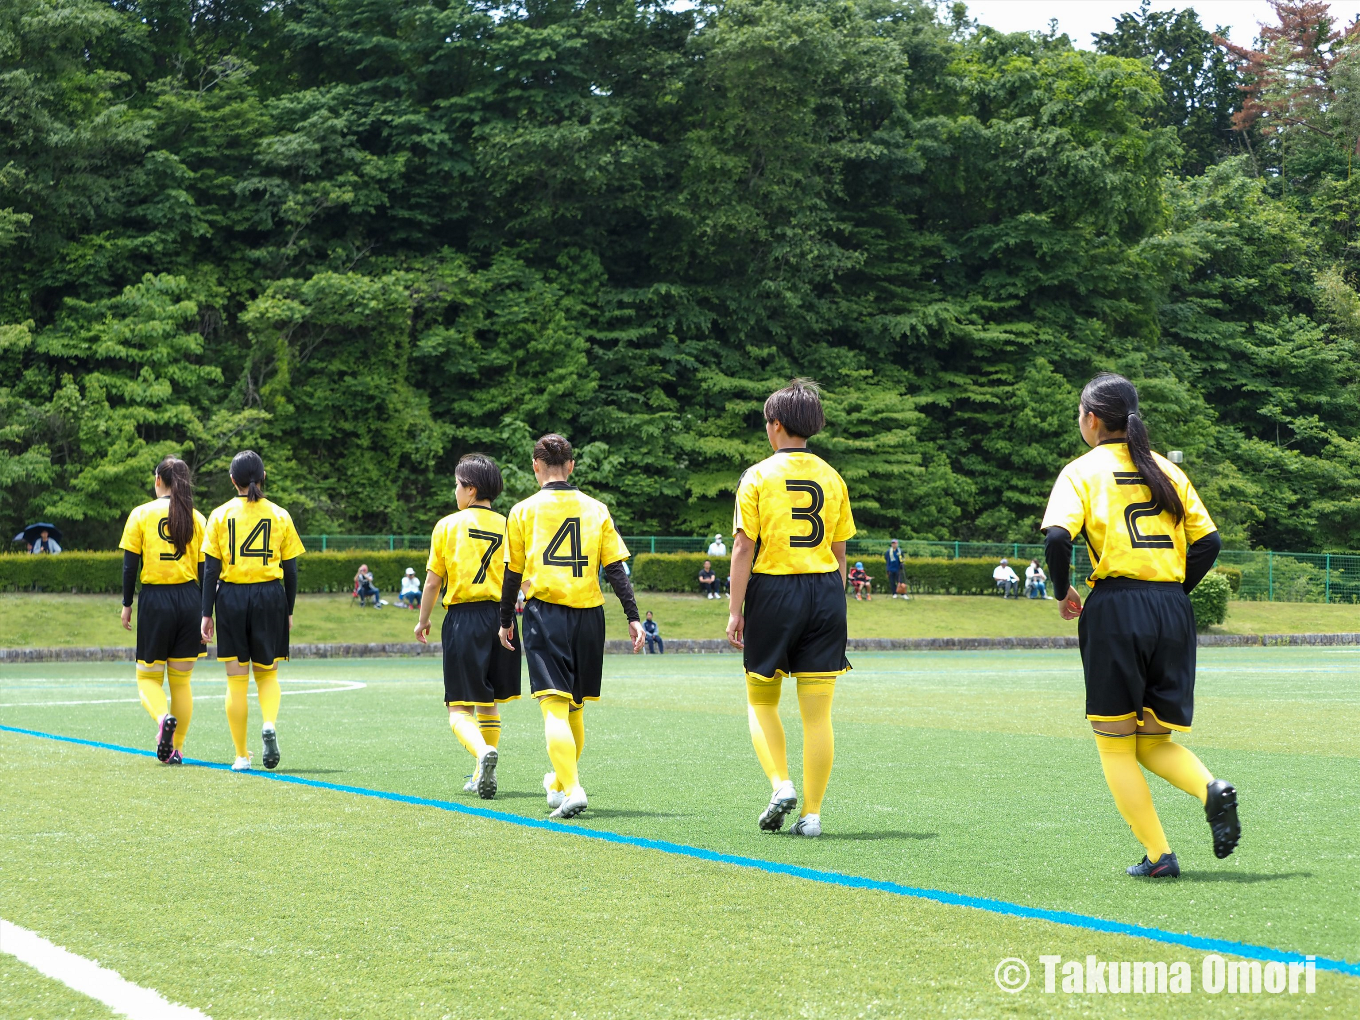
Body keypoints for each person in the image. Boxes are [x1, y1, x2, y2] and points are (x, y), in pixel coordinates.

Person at [1042, 373, 1236, 879]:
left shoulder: (1080, 471)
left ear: (1091, 418)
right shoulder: (1168, 470)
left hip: (1116, 607)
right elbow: (1210, 543)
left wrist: (1062, 589)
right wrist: (1171, 592)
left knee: (1115, 742)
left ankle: (1159, 856)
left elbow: (1058, 537)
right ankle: (1210, 787)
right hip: (1172, 608)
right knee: (1152, 740)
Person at [727, 379, 854, 838]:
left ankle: (781, 784)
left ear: (775, 424)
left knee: (761, 700)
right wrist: (832, 602)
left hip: (774, 592)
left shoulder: (758, 475)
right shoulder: (832, 477)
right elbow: (839, 552)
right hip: (825, 592)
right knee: (818, 715)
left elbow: (744, 546)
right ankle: (814, 815)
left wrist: (735, 609)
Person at [498, 434, 645, 820]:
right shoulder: (596, 508)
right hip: (589, 617)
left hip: (547, 614)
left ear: (535, 466)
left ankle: (574, 788)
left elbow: (513, 572)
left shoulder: (523, 511)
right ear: (572, 466)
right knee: (575, 710)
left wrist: (504, 619)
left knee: (553, 709)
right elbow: (616, 569)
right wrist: (632, 616)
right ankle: (560, 783)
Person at [415, 453, 520, 800]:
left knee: (458, 708)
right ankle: (480, 774)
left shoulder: (447, 525)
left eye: (457, 485)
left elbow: (432, 582)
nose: (454, 491)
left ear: (471, 489)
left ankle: (481, 755)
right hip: (503, 620)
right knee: (489, 701)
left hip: (464, 619)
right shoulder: (510, 524)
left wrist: (423, 620)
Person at [200, 450, 305, 773]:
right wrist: (287, 609)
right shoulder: (279, 515)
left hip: (230, 598)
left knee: (236, 682)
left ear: (233, 480)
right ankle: (269, 723)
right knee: (267, 674)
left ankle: (241, 755)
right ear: (263, 478)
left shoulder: (219, 515)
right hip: (270, 597)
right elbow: (291, 569)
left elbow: (210, 571)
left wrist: (206, 614)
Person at [119, 456, 206, 764]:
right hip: (190, 602)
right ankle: (177, 748)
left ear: (159, 480)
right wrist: (208, 614)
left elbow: (130, 567)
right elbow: (205, 570)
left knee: (147, 679)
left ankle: (162, 719)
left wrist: (127, 604)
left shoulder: (140, 514)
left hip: (156, 602)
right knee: (181, 682)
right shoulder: (196, 517)